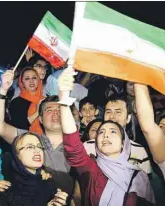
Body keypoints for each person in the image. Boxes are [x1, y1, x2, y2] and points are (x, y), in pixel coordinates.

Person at [58, 67, 155, 206]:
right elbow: (72, 145)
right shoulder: (91, 169)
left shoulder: (139, 177)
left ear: (123, 143)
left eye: (113, 132)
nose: (106, 135)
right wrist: (64, 102)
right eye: (101, 132)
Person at [0, 70, 75, 203]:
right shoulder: (30, 140)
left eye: (59, 110)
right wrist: (3, 90)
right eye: (49, 110)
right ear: (40, 119)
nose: (55, 113)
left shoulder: (79, 145)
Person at [0, 132, 68, 206]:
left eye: (39, 146)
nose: (37, 150)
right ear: (16, 155)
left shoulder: (49, 184)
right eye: (30, 147)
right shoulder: (2, 194)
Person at [103, 96, 152, 175]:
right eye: (108, 112)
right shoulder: (89, 146)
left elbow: (144, 184)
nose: (112, 116)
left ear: (128, 118)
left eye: (118, 112)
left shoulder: (139, 151)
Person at [9, 67, 44, 135]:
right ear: (22, 83)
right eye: (27, 78)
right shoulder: (16, 102)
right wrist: (37, 112)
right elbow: (19, 125)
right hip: (26, 141)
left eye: (34, 78)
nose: (31, 81)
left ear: (38, 80)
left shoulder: (45, 100)